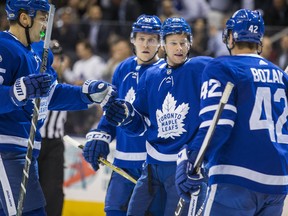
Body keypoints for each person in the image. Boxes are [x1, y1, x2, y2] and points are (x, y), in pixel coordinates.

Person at [0, 1, 114, 215]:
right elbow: (13, 93)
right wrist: (16, 92)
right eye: (42, 18)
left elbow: (50, 94)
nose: (46, 24)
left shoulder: (37, 53)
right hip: (6, 150)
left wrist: (85, 95)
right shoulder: (4, 48)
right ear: (25, 19)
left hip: (25, 150)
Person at [175, 9, 288, 216]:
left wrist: (192, 159)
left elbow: (218, 123)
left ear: (230, 37)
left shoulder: (222, 68)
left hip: (235, 177)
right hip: (278, 182)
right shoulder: (281, 75)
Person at [103, 17, 212, 216]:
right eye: (173, 43)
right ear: (163, 44)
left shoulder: (202, 68)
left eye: (183, 42)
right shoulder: (151, 75)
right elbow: (141, 124)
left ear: (190, 43)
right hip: (152, 168)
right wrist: (126, 117)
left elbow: (232, 71)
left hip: (184, 167)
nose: (179, 48)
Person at [83, 14, 164, 216]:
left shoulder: (165, 72)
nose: (146, 44)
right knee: (113, 211)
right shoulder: (123, 68)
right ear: (132, 39)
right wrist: (102, 134)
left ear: (160, 42)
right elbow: (112, 110)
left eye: (151, 39)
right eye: (141, 39)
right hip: (122, 163)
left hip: (152, 167)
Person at [38, 40, 67, 216]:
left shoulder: (65, 83)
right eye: (51, 58)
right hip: (32, 142)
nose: (55, 62)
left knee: (53, 192)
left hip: (54, 144)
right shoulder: (34, 81)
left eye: (58, 58)